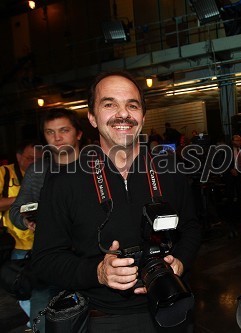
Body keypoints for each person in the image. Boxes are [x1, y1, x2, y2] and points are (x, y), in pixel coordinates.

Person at [31, 71, 202, 332]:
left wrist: (180, 259)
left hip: (173, 309)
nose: (123, 114)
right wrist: (97, 272)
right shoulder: (63, 182)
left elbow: (191, 227)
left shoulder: (170, 170)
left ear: (143, 116)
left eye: (132, 105)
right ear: (91, 117)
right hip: (104, 318)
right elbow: (45, 260)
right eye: (109, 104)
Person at [10, 108, 83, 332]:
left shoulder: (95, 166)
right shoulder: (38, 170)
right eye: (50, 132)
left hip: (87, 263)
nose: (57, 137)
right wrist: (28, 220)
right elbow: (16, 211)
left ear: (78, 133)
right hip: (48, 264)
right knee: (41, 325)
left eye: (64, 130)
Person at [0, 141, 41, 329]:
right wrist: (23, 199)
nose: (34, 162)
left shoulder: (43, 173)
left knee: (42, 289)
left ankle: (38, 322)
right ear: (18, 157)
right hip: (17, 243)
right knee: (22, 287)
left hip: (40, 242)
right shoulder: (4, 173)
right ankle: (35, 322)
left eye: (38, 159)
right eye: (29, 158)